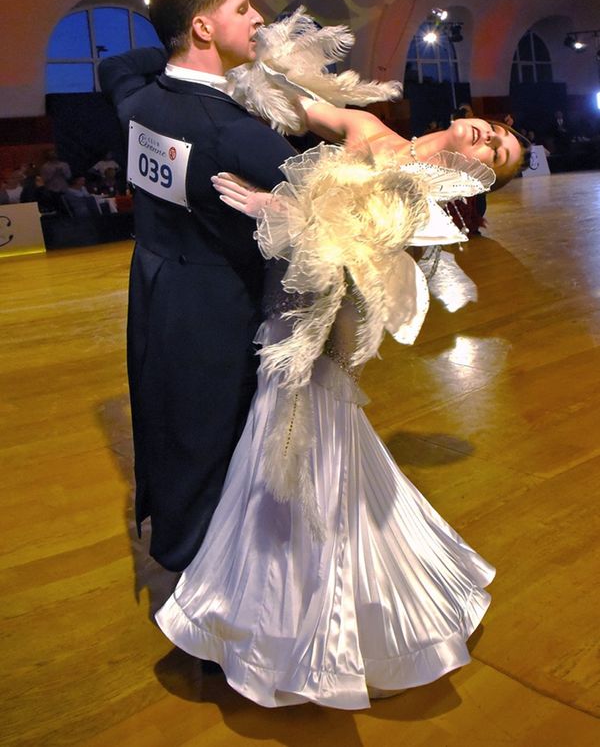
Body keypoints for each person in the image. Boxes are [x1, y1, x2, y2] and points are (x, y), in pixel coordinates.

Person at [155, 104, 522, 708]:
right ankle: (284, 622)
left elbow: (350, 249)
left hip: (320, 330)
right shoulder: (365, 128)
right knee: (310, 456)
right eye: (497, 132)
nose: (492, 140)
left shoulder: (421, 197)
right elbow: (293, 97)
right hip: (281, 304)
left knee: (296, 455)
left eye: (497, 155)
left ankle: (292, 636)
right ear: (470, 117)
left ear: (479, 177)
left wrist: (271, 209)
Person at [98, 0, 296, 572]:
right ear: (205, 29)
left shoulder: (139, 103)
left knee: (168, 425)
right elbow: (331, 193)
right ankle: (206, 597)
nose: (259, 16)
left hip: (155, 290)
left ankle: (177, 552)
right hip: (215, 310)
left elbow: (115, 64)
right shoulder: (229, 132)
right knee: (215, 443)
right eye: (242, 7)